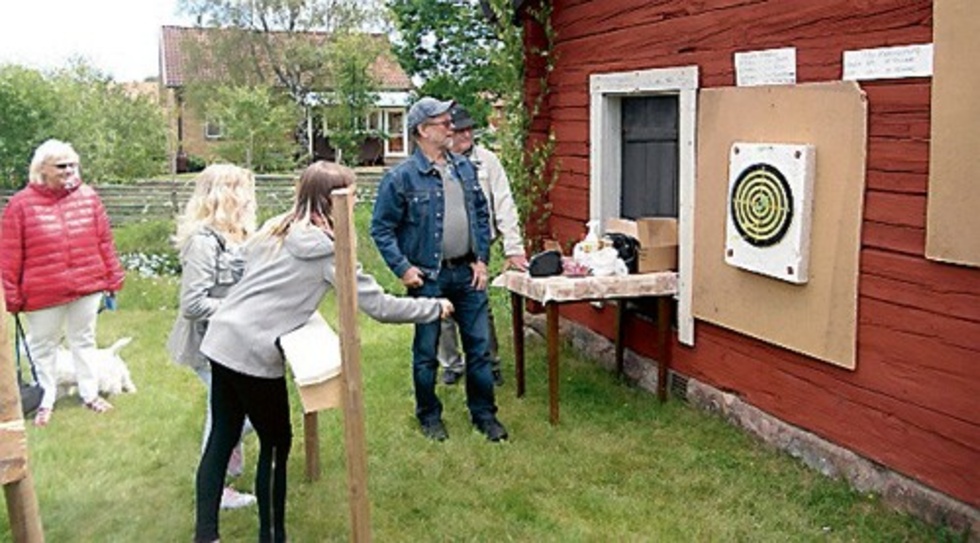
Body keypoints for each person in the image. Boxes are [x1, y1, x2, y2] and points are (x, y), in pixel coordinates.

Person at [193, 161, 453, 543]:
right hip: (249, 352)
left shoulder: (277, 228)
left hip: (221, 339)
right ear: (333, 202)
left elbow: (268, 285)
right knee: (277, 443)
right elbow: (378, 306)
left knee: (222, 436)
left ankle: (206, 536)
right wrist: (435, 308)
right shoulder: (328, 250)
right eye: (351, 195)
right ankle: (272, 537)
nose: (357, 201)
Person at [371, 96, 508, 443]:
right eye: (443, 123)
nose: (452, 128)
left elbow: (480, 213)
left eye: (451, 122)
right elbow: (381, 228)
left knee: (479, 350)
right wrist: (403, 269)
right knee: (426, 353)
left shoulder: (463, 168)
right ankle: (429, 416)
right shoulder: (401, 178)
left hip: (467, 273)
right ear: (422, 130)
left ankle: (484, 416)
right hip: (428, 277)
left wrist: (481, 260)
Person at [1, 139, 125, 427]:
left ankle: (90, 393)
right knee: (42, 345)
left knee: (84, 340)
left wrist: (113, 277)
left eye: (73, 164)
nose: (69, 170)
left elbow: (104, 241)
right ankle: (45, 397)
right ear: (42, 169)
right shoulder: (20, 205)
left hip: (87, 286)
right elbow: (8, 255)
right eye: (61, 166)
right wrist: (11, 295)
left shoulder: (89, 197)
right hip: (43, 292)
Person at [167, 164, 258, 510]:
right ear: (227, 195)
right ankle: (216, 487)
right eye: (244, 191)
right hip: (208, 346)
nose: (250, 199)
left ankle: (226, 454)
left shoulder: (237, 233)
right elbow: (193, 304)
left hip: (231, 343)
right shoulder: (203, 241)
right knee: (228, 417)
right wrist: (241, 309)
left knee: (238, 415)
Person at [439, 104, 528, 387]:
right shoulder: (433, 163)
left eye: (469, 129)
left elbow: (504, 203)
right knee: (441, 310)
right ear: (447, 132)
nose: (466, 134)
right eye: (459, 129)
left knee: (479, 306)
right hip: (439, 251)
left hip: (477, 249)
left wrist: (513, 248)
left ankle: (490, 363)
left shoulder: (487, 161)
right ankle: (451, 364)